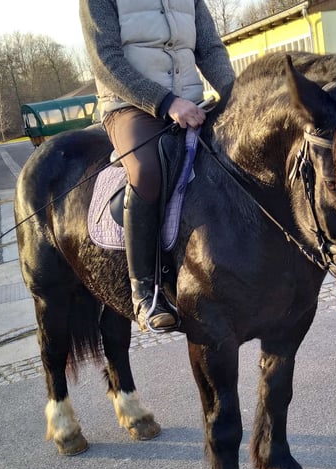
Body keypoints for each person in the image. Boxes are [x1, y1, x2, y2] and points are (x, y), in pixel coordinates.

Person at [80, 0, 235, 332]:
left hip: (192, 102)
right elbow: (105, 60)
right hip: (130, 106)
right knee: (147, 170)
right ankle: (145, 291)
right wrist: (164, 102)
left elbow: (209, 48)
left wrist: (234, 94)